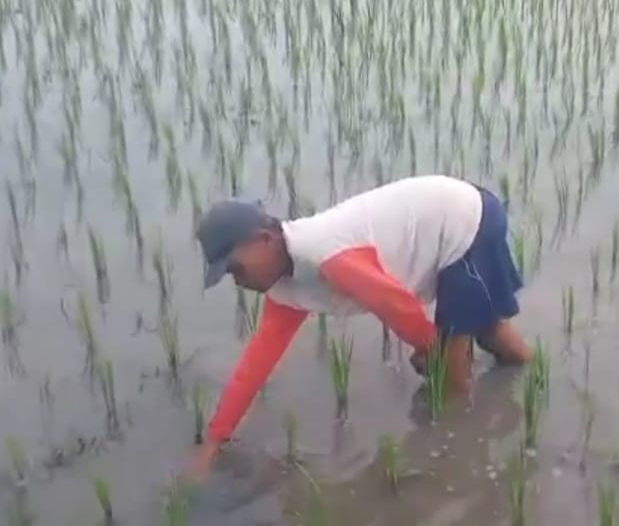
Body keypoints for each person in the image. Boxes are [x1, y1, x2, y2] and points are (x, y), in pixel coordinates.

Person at [185, 175, 533, 477]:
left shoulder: (324, 256)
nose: (237, 280)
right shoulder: (285, 288)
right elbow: (254, 366)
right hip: (458, 216)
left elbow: (393, 302)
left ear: (264, 239)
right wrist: (215, 440)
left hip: (464, 224)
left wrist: (430, 347)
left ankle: (455, 464)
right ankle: (529, 375)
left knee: (451, 382)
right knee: (485, 330)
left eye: (235, 268)